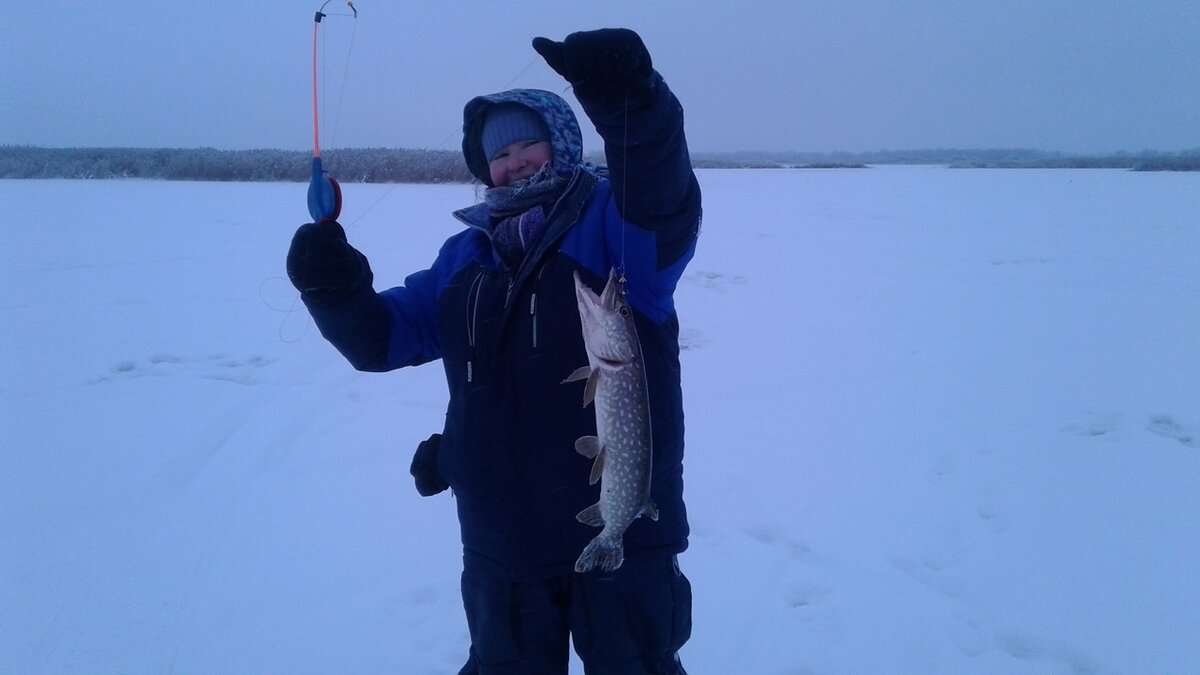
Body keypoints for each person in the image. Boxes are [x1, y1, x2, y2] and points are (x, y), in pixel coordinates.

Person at [286, 28, 701, 674]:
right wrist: (333, 290)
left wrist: (633, 107)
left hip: (620, 527)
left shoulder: (613, 226)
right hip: (501, 540)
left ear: (562, 142)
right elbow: (381, 337)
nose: (515, 162)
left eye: (528, 143)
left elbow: (660, 196)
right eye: (499, 153)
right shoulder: (466, 257)